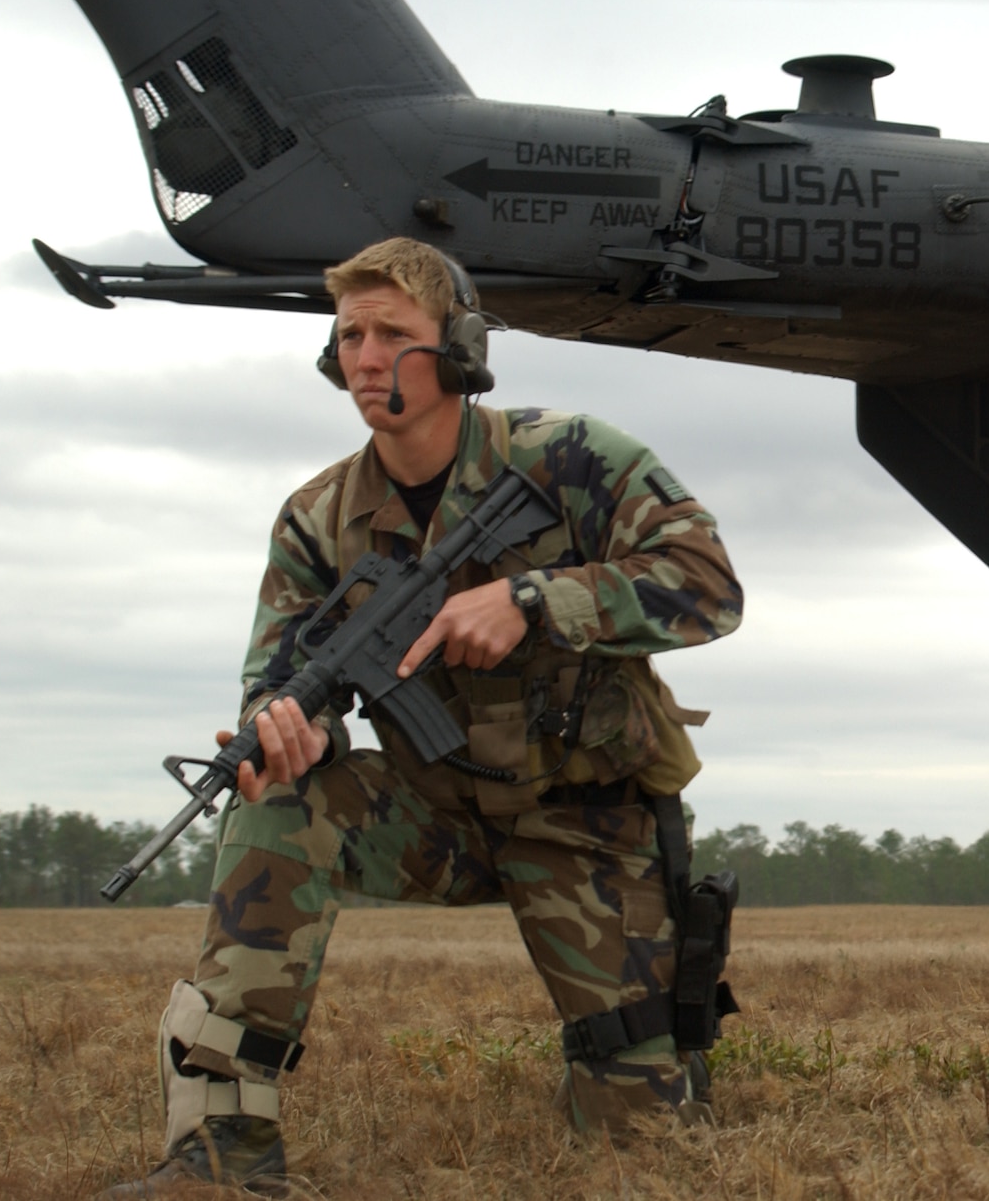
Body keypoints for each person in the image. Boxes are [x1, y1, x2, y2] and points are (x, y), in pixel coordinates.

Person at [103, 239, 743, 1197]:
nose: (365, 357)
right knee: (279, 795)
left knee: (643, 1141)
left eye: (393, 333)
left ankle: (646, 1064)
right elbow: (272, 682)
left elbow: (710, 587)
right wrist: (288, 729)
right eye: (350, 334)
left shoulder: (572, 457)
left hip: (586, 821)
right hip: (432, 817)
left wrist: (534, 598)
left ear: (459, 347)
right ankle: (220, 1156)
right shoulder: (318, 519)